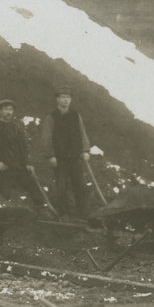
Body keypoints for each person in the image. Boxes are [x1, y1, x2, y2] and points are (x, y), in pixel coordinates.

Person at [0, 99, 51, 213]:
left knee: (34, 189)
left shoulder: (17, 128)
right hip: (3, 170)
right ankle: (1, 218)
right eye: (6, 109)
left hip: (18, 168)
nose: (8, 112)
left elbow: (24, 149)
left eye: (10, 109)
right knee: (2, 198)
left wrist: (28, 164)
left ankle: (42, 211)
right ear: (0, 111)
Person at [42, 86, 92, 218]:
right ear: (57, 99)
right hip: (60, 159)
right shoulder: (51, 116)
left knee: (81, 186)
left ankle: (83, 213)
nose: (66, 100)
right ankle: (64, 213)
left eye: (68, 97)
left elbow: (82, 132)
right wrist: (50, 155)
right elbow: (46, 137)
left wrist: (85, 150)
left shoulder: (75, 115)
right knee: (61, 187)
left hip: (75, 157)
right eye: (63, 97)